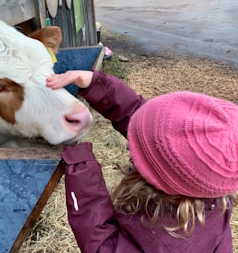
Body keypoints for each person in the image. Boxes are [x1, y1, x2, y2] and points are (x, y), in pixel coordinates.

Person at [46, 70, 238, 253]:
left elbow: (102, 246)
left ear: (158, 175)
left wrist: (81, 168)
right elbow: (155, 130)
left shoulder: (164, 239)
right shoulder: (210, 184)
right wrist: (98, 85)